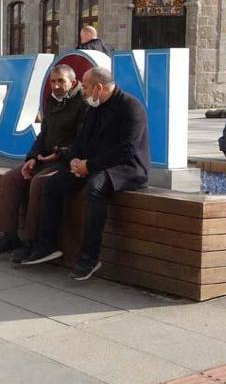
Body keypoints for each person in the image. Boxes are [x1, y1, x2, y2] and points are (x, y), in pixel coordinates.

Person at [21, 67, 149, 281]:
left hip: (127, 168)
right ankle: (47, 245)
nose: (84, 91)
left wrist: (89, 166)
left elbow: (126, 150)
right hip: (94, 164)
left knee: (95, 187)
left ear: (99, 88)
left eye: (87, 87)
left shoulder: (131, 107)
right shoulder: (95, 108)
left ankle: (89, 257)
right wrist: (73, 160)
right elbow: (81, 141)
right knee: (52, 185)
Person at [0, 65, 87, 261]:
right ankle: (9, 236)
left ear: (73, 82)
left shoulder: (83, 104)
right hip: (45, 159)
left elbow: (82, 140)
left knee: (38, 182)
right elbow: (43, 134)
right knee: (10, 178)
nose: (56, 86)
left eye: (61, 81)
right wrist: (32, 157)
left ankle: (32, 242)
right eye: (53, 81)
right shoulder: (51, 101)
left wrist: (59, 154)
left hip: (66, 162)